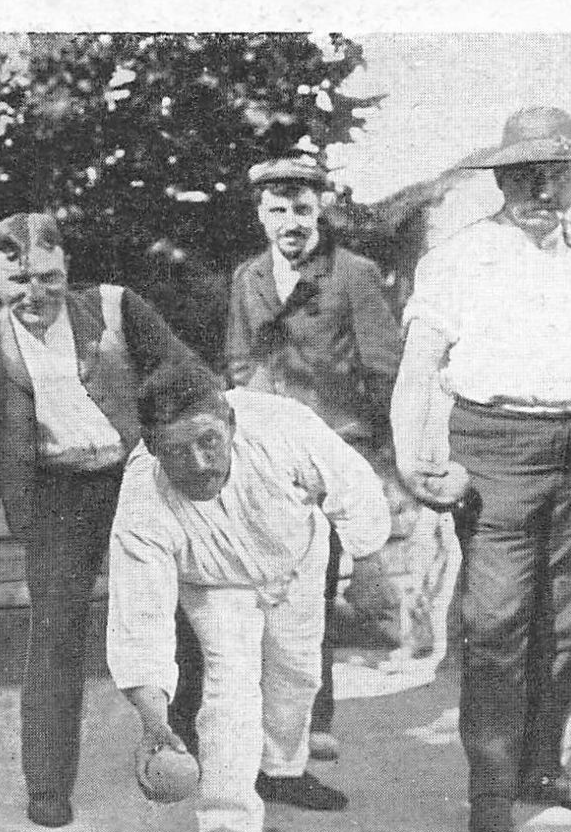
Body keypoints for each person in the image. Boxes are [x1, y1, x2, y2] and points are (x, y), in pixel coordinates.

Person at [389, 107, 571, 832]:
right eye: (524, 174)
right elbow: (416, 372)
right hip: (494, 453)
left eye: (556, 173)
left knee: (564, 621)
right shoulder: (459, 258)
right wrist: (412, 462)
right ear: (501, 178)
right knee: (498, 625)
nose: (540, 188)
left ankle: (539, 771)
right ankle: (489, 790)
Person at [0, 212, 198, 829]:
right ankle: (48, 786)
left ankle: (181, 744)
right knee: (55, 633)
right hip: (58, 492)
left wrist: (171, 427)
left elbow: (181, 373)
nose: (36, 294)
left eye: (49, 278)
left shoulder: (116, 308)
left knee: (184, 611)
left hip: (137, 475)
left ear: (67, 271)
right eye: (19, 279)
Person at [108, 361, 390, 832]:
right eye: (175, 452)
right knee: (230, 694)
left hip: (298, 558)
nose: (197, 464)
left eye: (209, 442)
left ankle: (282, 770)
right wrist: (154, 721)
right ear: (150, 448)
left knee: (299, 673)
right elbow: (139, 622)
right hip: (217, 587)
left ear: (231, 423)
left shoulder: (282, 425)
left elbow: (349, 482)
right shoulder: (142, 499)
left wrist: (369, 560)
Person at [168, 156, 404, 763]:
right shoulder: (249, 277)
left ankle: (309, 720)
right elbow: (238, 362)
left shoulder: (354, 275)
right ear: (261, 214)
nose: (292, 222)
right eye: (278, 209)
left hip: (332, 449)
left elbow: (384, 369)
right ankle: (232, 718)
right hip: (262, 456)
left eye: (303, 207)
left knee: (314, 586)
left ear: (321, 208)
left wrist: (374, 451)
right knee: (245, 582)